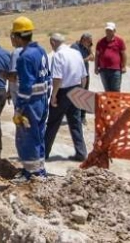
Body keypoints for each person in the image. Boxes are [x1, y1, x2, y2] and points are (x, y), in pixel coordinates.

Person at [10, 16, 51, 183]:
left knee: (26, 139)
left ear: (18, 36)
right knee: (38, 136)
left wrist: (19, 108)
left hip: (30, 106)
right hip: (41, 102)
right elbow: (46, 77)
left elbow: (26, 87)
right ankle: (40, 170)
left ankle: (31, 174)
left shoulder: (24, 57)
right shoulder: (41, 51)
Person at [45, 33, 88, 162]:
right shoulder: (76, 53)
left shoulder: (58, 55)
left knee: (53, 122)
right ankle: (81, 152)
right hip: (77, 88)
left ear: (52, 43)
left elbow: (57, 78)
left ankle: (43, 153)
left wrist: (53, 96)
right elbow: (84, 76)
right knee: (75, 122)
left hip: (63, 91)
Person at [95, 22, 127, 92]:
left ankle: (116, 103)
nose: (108, 32)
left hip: (115, 70)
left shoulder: (119, 41)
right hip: (103, 70)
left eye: (110, 30)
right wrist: (96, 67)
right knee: (107, 90)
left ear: (114, 31)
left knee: (115, 90)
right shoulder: (100, 42)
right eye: (107, 30)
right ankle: (108, 103)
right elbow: (97, 55)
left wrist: (123, 66)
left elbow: (123, 54)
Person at [70, 32, 94, 124]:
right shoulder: (75, 47)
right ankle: (75, 116)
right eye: (89, 42)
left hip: (86, 74)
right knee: (77, 95)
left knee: (85, 95)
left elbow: (93, 57)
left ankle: (83, 116)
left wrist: (89, 52)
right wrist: (86, 59)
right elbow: (75, 61)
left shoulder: (86, 47)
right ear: (84, 40)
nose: (90, 44)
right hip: (77, 75)